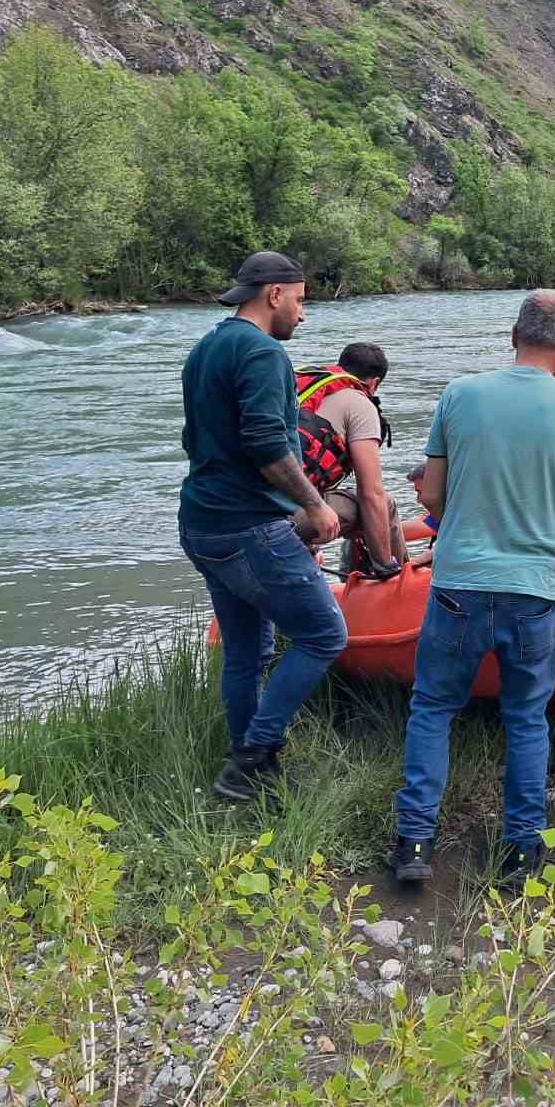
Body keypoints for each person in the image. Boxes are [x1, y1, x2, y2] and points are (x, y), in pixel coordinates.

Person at [389, 291, 555, 886]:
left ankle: (415, 846)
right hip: (533, 592)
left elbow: (430, 497)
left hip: (458, 586)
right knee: (526, 718)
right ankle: (521, 851)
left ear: (512, 335)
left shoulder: (460, 394)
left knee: (433, 708)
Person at [178, 251, 348, 803]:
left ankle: (249, 767)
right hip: (248, 525)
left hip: (203, 523)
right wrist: (316, 507)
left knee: (248, 651)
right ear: (274, 294)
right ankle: (253, 756)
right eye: (300, 300)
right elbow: (268, 447)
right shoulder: (263, 353)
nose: (302, 314)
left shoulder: (207, 348)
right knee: (324, 633)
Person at [292, 342, 407, 579]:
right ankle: (394, 576)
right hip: (286, 516)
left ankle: (351, 575)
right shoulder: (359, 403)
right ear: (374, 382)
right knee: (384, 504)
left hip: (246, 505)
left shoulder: (304, 388)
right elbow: (371, 493)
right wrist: (385, 563)